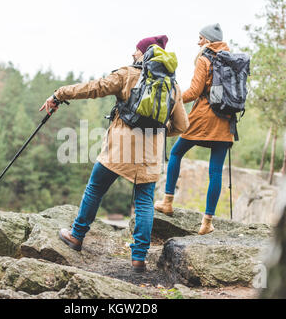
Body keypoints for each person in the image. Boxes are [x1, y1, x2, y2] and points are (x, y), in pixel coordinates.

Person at [40, 35, 189, 273]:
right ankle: (139, 258)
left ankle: (77, 235)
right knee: (144, 203)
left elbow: (93, 88)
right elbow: (182, 126)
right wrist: (158, 131)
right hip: (148, 156)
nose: (133, 54)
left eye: (137, 51)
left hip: (118, 150)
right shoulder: (174, 86)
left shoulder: (127, 74)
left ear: (145, 54)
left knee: (95, 189)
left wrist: (60, 94)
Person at [154, 24, 233, 235]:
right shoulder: (231, 60)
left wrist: (174, 98)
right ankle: (207, 223)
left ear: (208, 40)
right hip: (226, 121)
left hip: (204, 117)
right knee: (215, 171)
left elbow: (196, 91)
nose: (198, 42)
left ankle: (167, 202)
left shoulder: (205, 59)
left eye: (200, 38)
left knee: (176, 153)